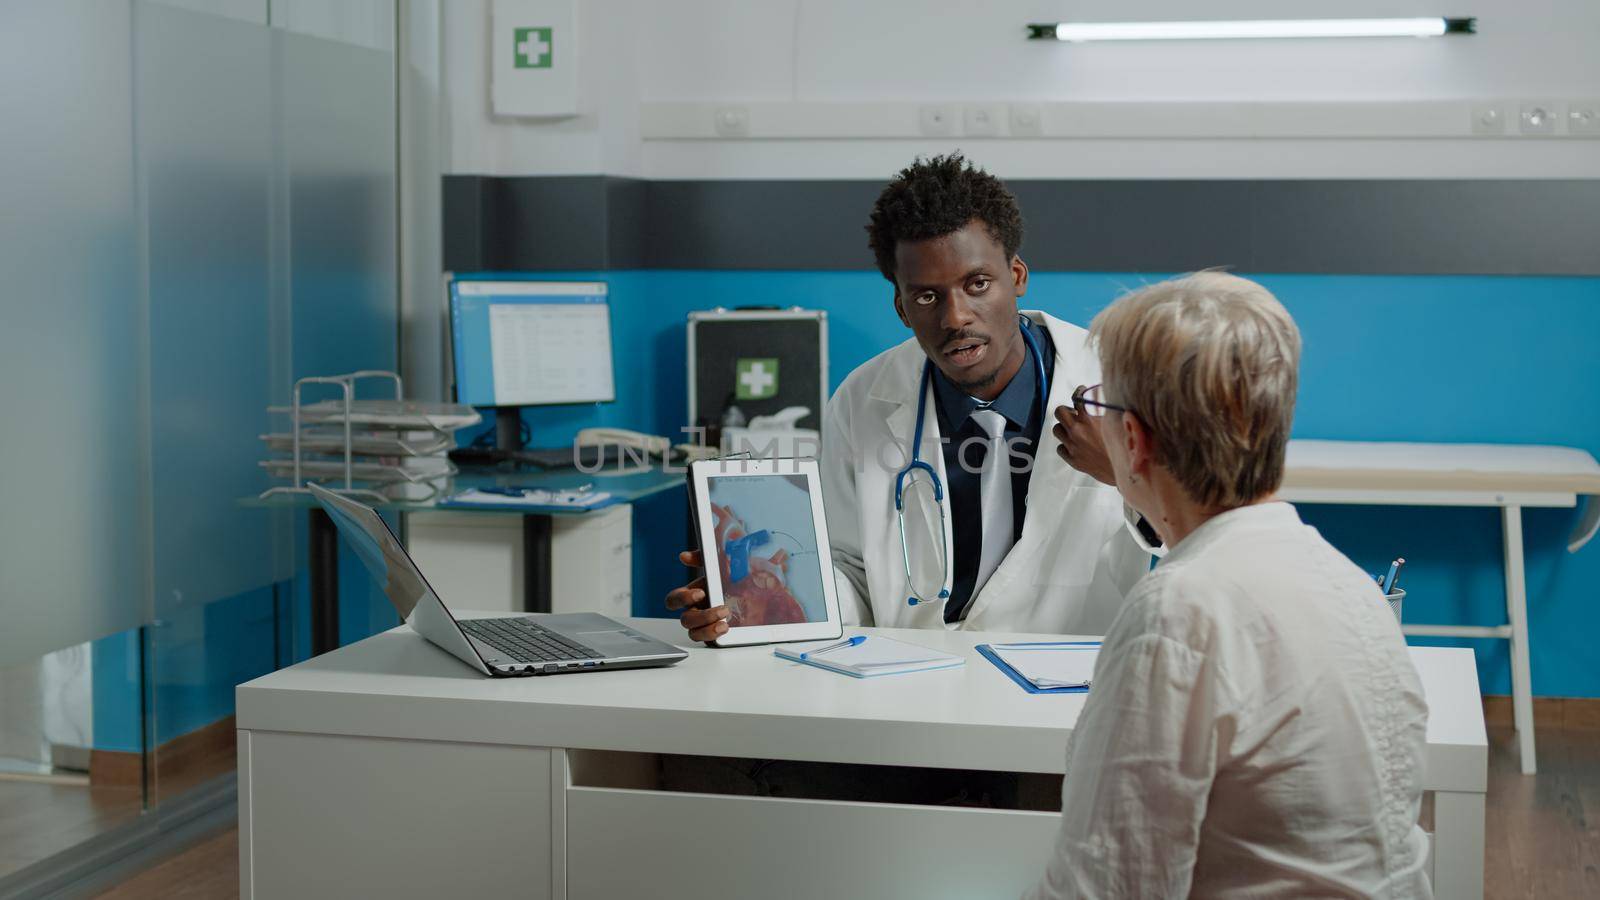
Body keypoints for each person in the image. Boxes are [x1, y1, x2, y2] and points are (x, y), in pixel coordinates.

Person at [1028, 273, 1431, 898]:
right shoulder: (1350, 586)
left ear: (1132, 441)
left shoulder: (1179, 614)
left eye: (1101, 402)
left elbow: (1104, 885)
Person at [668, 154, 1157, 641]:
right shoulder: (863, 399)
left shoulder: (1118, 385)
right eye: (927, 297)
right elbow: (852, 568)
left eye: (978, 284)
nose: (955, 317)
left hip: (1065, 678)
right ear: (902, 307)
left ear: (1018, 276)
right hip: (916, 673)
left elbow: (1206, 542)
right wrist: (766, 605)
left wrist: (1127, 477)